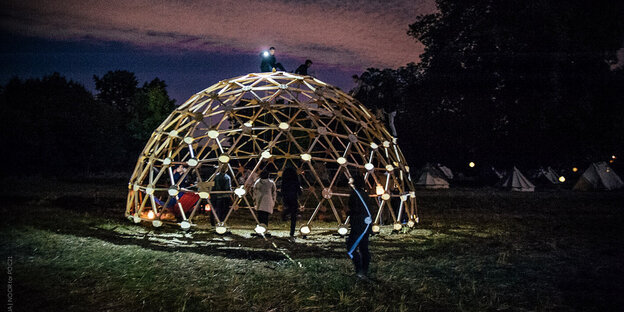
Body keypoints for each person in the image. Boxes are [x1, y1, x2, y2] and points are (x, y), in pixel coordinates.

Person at [346, 173, 373, 279]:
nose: (349, 181)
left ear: (354, 182)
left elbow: (356, 210)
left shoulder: (354, 194)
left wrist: (347, 212)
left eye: (350, 179)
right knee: (363, 248)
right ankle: (363, 271)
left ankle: (359, 270)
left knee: (351, 248)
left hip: (358, 225)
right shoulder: (365, 194)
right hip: (366, 224)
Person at [281, 167, 302, 240]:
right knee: (294, 216)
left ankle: (285, 215)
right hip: (293, 199)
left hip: (286, 199)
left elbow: (282, 191)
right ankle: (292, 232)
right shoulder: (295, 181)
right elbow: (299, 192)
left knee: (289, 210)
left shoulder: (284, 181)